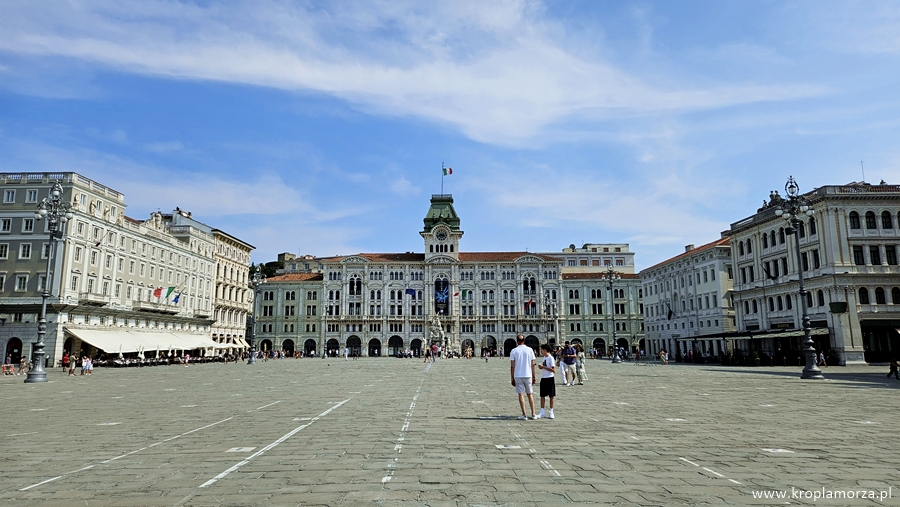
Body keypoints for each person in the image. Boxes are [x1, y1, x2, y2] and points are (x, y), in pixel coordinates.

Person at [509, 334, 536, 420]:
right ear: (524, 341)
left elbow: (512, 366)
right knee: (530, 394)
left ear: (517, 341)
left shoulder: (514, 351)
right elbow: (533, 365)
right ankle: (533, 414)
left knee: (521, 395)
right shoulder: (530, 350)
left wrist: (512, 377)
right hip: (528, 375)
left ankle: (524, 414)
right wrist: (534, 376)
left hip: (518, 375)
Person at [536, 344, 556, 419]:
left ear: (544, 350)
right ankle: (542, 411)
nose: (540, 351)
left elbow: (553, 370)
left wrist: (543, 367)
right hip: (543, 378)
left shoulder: (551, 358)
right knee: (542, 395)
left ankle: (551, 411)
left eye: (541, 350)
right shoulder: (544, 357)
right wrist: (541, 367)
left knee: (551, 395)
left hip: (550, 378)